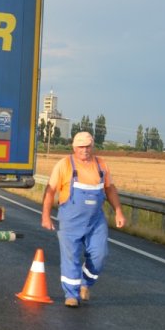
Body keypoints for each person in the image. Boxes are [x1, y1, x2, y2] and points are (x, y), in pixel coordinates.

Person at [40, 131, 127, 306]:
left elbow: (109, 190)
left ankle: (85, 284)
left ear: (92, 146)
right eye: (80, 147)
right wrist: (45, 216)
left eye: (87, 146)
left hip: (96, 221)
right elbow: (50, 191)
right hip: (70, 220)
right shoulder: (64, 165)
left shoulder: (101, 165)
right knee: (71, 256)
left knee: (99, 255)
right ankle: (71, 295)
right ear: (74, 147)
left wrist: (118, 211)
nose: (84, 150)